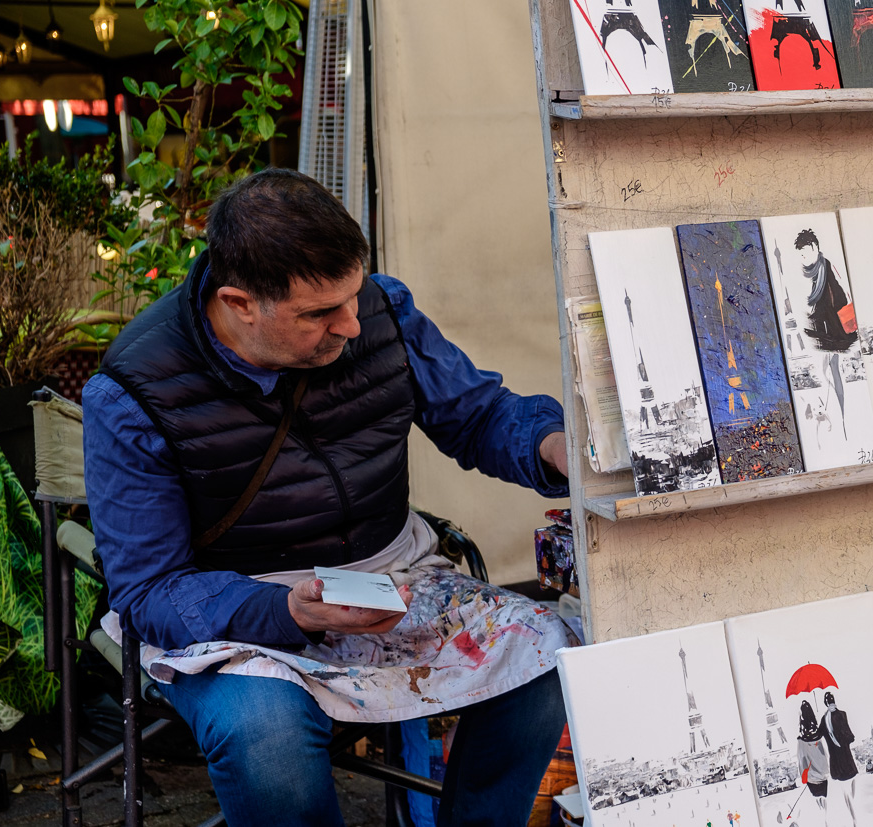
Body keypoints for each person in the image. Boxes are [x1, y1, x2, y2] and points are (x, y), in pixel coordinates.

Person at [83, 168, 575, 827]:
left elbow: (478, 413)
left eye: (354, 294)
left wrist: (551, 444)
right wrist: (286, 608)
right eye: (318, 314)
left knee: (544, 653)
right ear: (239, 303)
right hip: (235, 611)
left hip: (389, 575)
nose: (350, 324)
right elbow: (149, 590)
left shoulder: (380, 311)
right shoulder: (133, 391)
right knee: (266, 738)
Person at [818, 691, 859, 825]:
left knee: (846, 793)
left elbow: (818, 735)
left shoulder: (825, 720)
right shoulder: (841, 715)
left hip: (837, 763)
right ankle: (855, 817)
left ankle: (853, 817)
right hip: (847, 759)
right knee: (851, 790)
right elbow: (849, 736)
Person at [796, 700, 830, 825]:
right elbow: (825, 755)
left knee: (818, 804)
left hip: (811, 778)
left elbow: (802, 761)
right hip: (823, 775)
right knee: (826, 803)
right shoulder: (819, 737)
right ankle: (827, 821)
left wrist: (804, 776)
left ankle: (823, 821)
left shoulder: (801, 741)